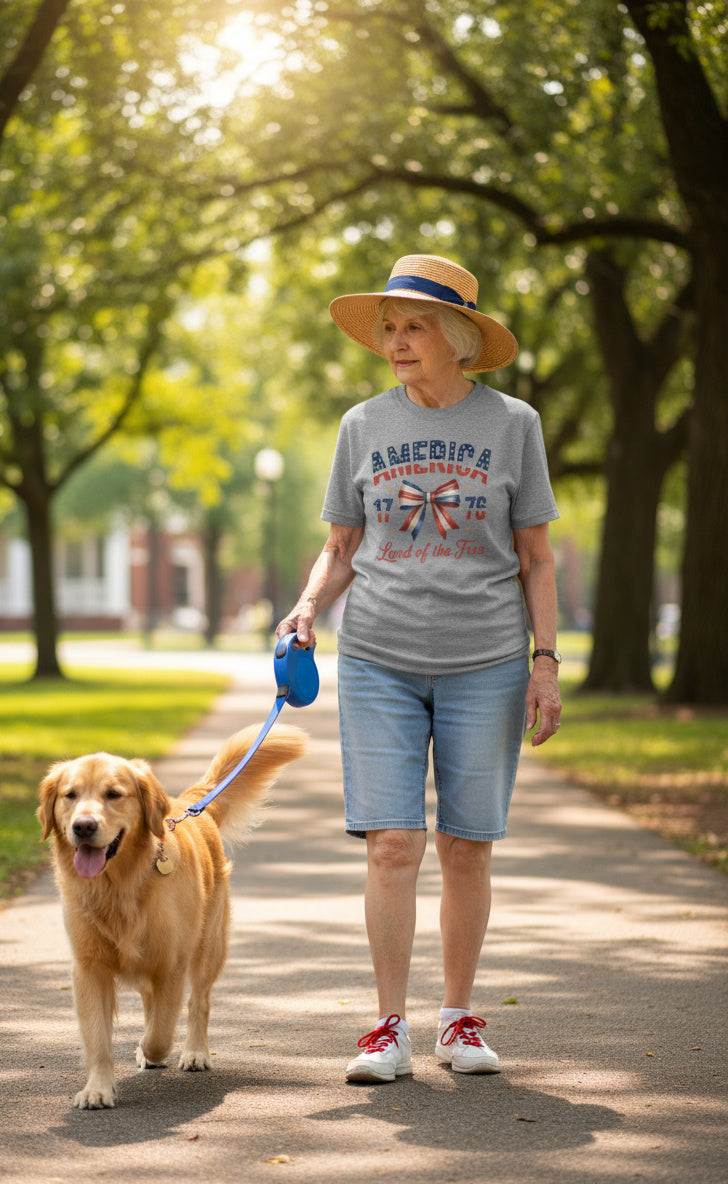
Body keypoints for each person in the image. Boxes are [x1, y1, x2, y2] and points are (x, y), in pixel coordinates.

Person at [276, 253, 562, 1083]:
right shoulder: (362, 425)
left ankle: (459, 1020)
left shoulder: (515, 426)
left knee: (467, 847)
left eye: (414, 327)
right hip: (378, 659)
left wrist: (545, 662)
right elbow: (340, 545)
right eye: (390, 329)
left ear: (459, 338)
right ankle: (387, 1027)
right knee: (393, 845)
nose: (396, 342)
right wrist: (304, 608)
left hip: (487, 660)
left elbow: (537, 558)